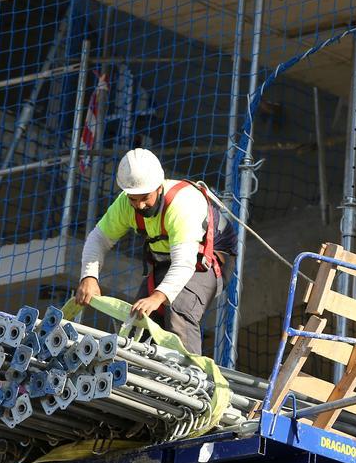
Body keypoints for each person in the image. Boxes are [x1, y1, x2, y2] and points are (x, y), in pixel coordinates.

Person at [75, 149, 236, 355]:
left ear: (159, 187)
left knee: (179, 307)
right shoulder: (126, 204)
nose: (139, 205)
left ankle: (188, 377)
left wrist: (158, 296)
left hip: (209, 259)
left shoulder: (181, 205)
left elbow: (184, 263)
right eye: (133, 198)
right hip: (167, 261)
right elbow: (98, 239)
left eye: (145, 198)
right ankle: (138, 379)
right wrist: (89, 277)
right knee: (137, 320)